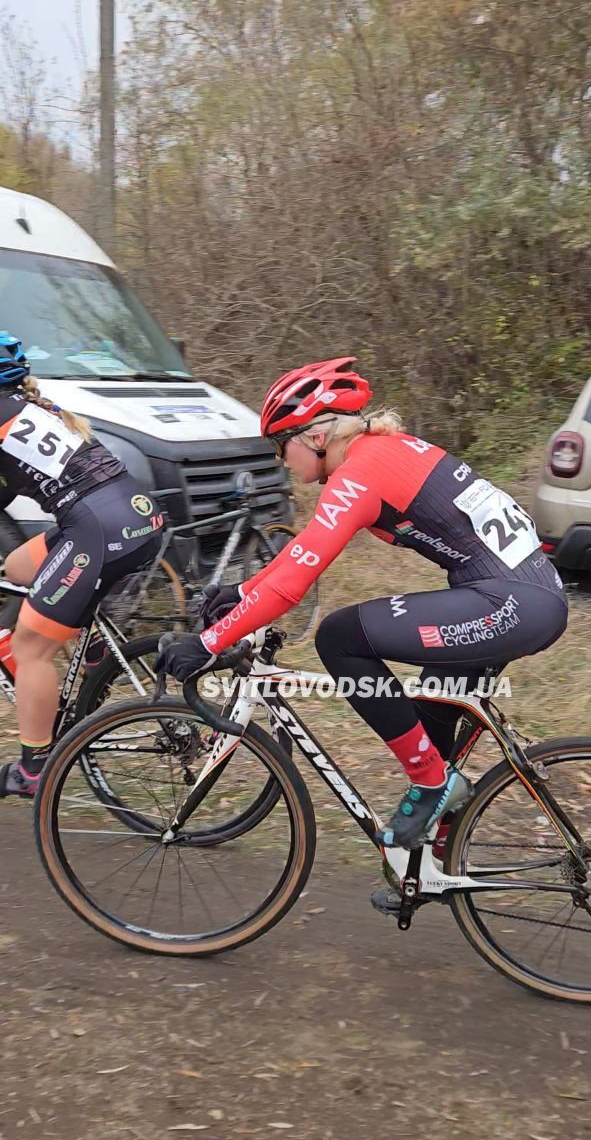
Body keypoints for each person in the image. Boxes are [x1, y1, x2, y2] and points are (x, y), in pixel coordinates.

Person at [160, 356, 568, 862]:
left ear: (313, 437)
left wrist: (206, 643)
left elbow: (295, 582)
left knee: (339, 637)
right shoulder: (380, 453)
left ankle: (430, 784)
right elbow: (303, 552)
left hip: (506, 601)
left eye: (278, 444)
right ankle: (436, 866)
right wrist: (244, 594)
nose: (279, 459)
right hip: (519, 595)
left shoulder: (361, 471)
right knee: (429, 718)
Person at [0, 332, 163, 798]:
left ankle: (34, 770)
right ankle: (96, 649)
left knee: (29, 647)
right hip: (135, 515)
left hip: (97, 530)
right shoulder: (37, 409)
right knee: (17, 568)